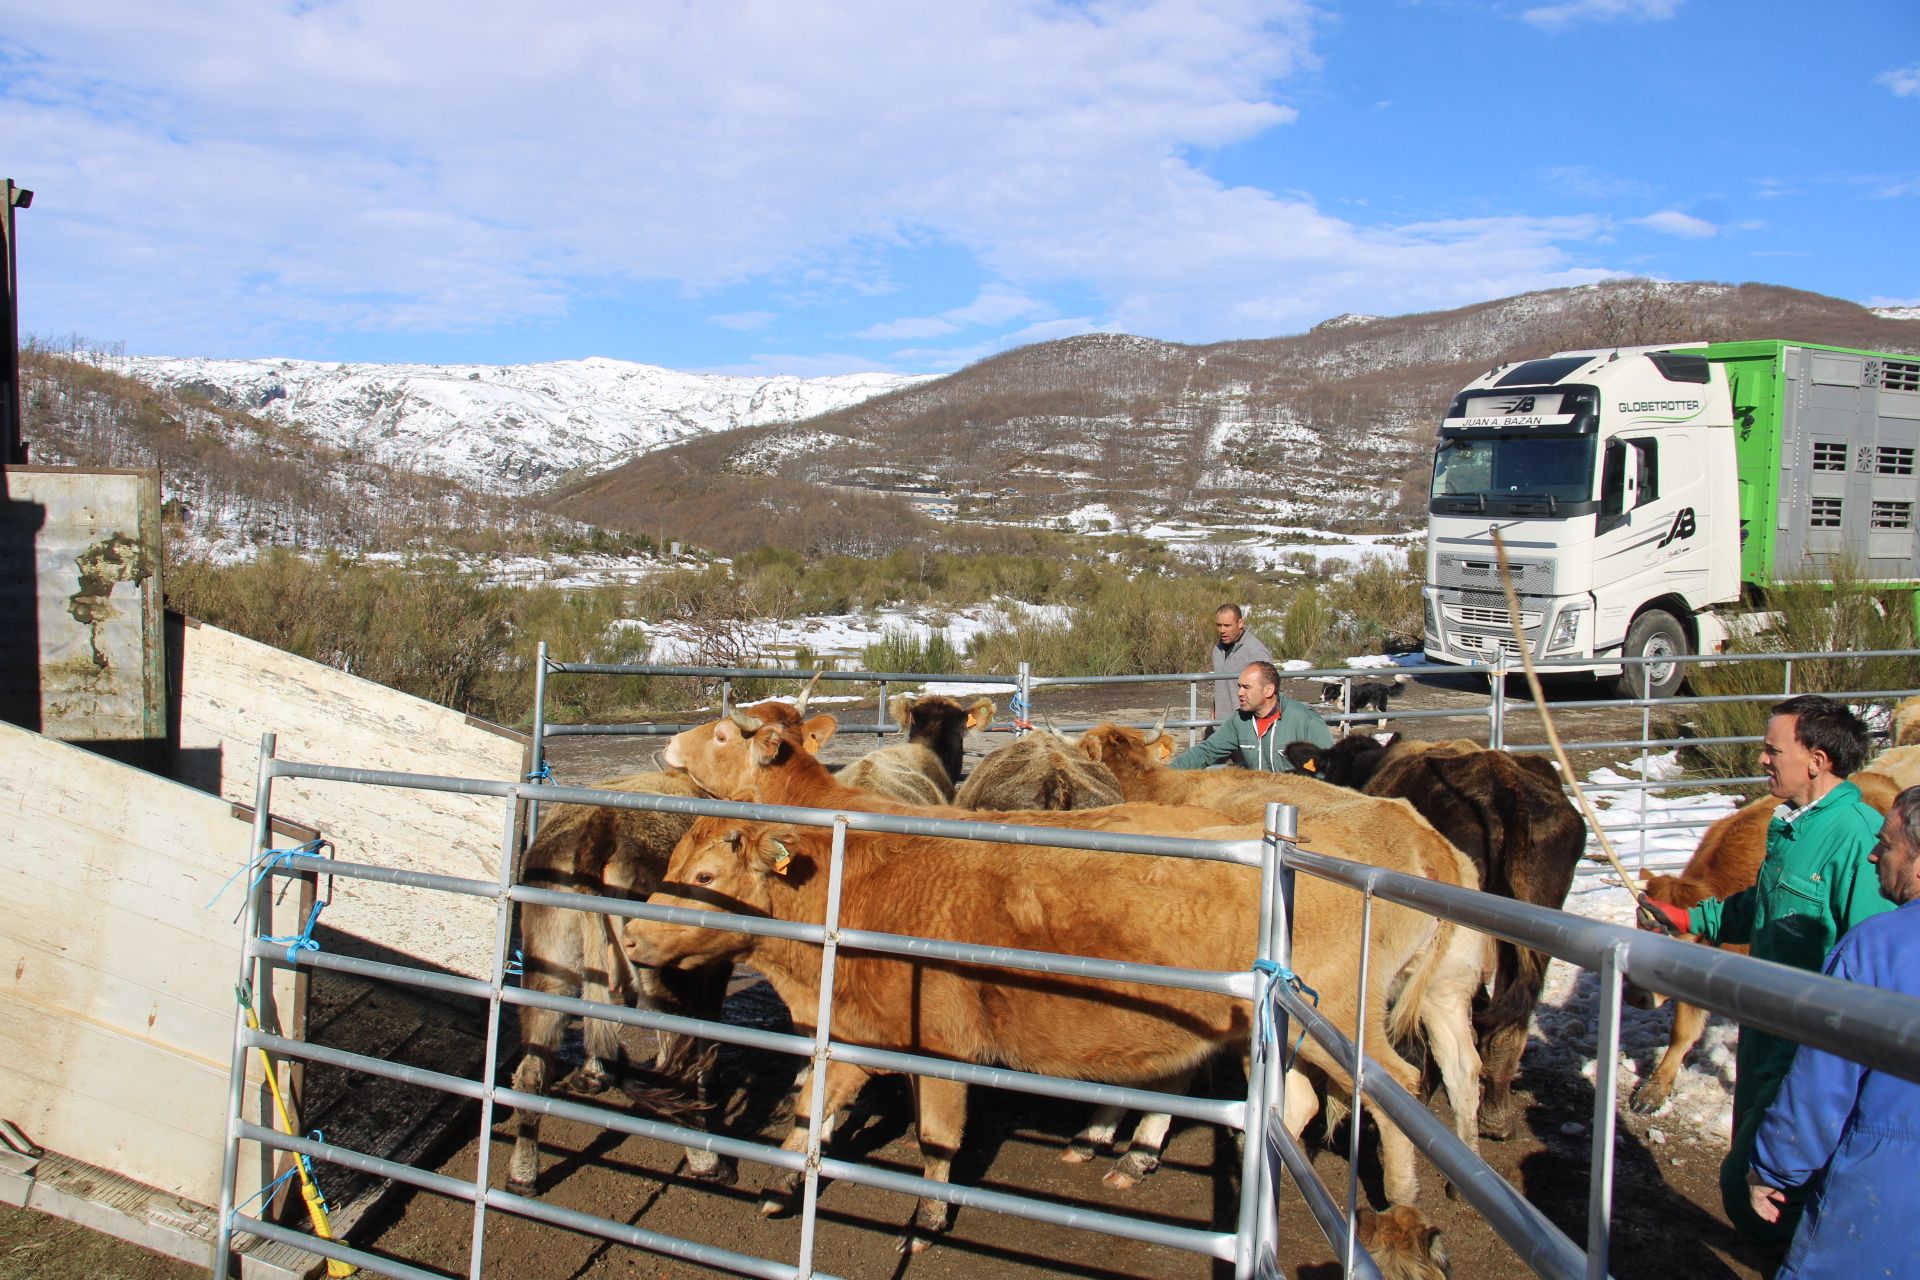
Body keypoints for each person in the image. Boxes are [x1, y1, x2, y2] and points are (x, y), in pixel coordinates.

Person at [1637, 694, 1895, 1244]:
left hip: (1812, 1043)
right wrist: (1686, 914)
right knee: (1751, 1170)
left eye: (1772, 750)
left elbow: (1874, 959)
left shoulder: (1855, 835)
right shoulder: (1791, 826)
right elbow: (1760, 906)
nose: (1761, 760)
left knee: (1773, 1186)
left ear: (1817, 760)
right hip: (1764, 1029)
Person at [1741, 784, 1920, 1280]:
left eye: (1887, 844)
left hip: (1887, 1185)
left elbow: (1824, 1080)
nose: (1873, 854)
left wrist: (1776, 1167)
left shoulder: (1875, 947)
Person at [1169, 660, 1331, 772]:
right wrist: (1165, 774)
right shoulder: (1239, 721)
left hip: (1298, 808)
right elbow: (1206, 752)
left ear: (1268, 690)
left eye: (1247, 687)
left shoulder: (1306, 720)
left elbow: (1331, 769)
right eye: (1239, 686)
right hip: (1257, 802)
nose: (1239, 692)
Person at [1208, 603, 1273, 723]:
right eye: (1219, 625)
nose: (1222, 630)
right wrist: (1213, 714)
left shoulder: (1256, 652)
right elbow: (1221, 685)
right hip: (1220, 725)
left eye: (1227, 625)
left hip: (1245, 725)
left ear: (1240, 623)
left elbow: (1268, 695)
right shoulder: (1218, 649)